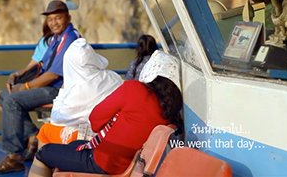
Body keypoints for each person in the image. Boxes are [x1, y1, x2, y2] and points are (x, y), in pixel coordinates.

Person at [29, 51, 184, 176]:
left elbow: (95, 120)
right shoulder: (168, 113)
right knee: (75, 145)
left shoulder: (135, 89)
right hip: (127, 164)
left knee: (44, 152)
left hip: (104, 162)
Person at [0, 0, 81, 174]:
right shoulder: (56, 38)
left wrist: (24, 88)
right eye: (50, 19)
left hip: (59, 90)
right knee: (3, 96)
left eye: (58, 18)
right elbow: (41, 63)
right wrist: (17, 74)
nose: (53, 23)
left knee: (12, 101)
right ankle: (34, 136)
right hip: (49, 86)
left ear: (68, 17)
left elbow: (53, 75)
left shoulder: (69, 39)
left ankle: (15, 156)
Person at [34, 38, 123, 151]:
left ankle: (45, 164)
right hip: (112, 131)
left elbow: (56, 119)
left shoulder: (77, 90)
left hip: (91, 137)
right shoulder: (113, 77)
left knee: (45, 130)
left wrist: (62, 91)